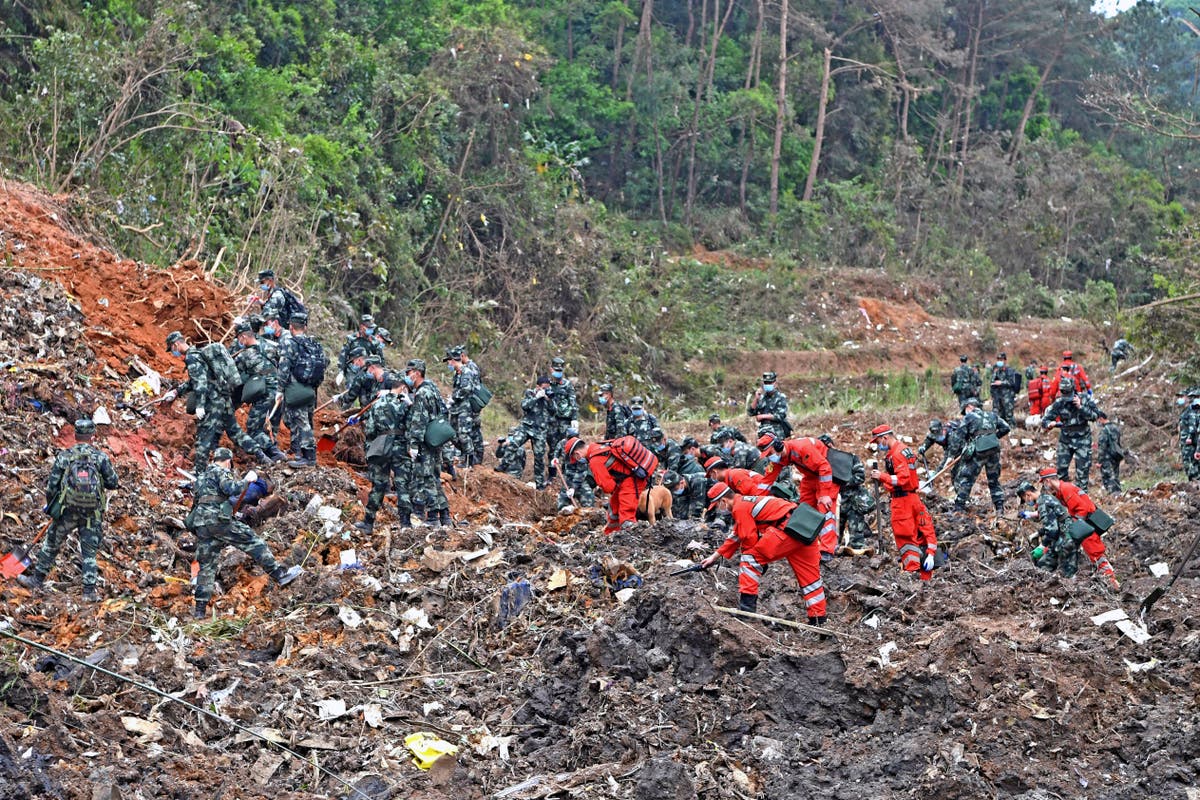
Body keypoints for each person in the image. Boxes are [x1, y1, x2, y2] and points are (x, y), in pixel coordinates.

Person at [187, 448, 303, 618]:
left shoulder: (202, 478)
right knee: (253, 541)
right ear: (227, 461)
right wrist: (247, 480)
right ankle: (279, 574)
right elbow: (231, 488)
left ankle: (199, 610)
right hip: (219, 522)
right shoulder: (221, 471)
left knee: (207, 567)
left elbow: (196, 503)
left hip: (202, 525)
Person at [17, 419, 120, 601]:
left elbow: (52, 486)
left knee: (52, 544)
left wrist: (53, 507)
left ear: (75, 435)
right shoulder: (100, 457)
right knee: (89, 552)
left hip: (67, 511)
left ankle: (37, 580)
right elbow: (113, 483)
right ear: (92, 437)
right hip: (91, 514)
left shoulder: (65, 456)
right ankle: (89, 592)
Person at [698, 484, 827, 627]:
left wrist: (759, 561)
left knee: (749, 561)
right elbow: (736, 535)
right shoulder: (747, 502)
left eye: (717, 505)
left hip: (786, 529)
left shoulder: (739, 508)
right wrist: (714, 557)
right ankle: (818, 619)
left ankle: (747, 611)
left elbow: (748, 537)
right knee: (811, 579)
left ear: (723, 501)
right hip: (804, 529)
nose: (719, 509)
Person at [164, 331, 271, 472]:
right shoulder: (198, 353)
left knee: (203, 437)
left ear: (176, 345)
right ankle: (262, 457)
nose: (173, 352)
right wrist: (177, 391)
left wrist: (200, 406)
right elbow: (194, 381)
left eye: (172, 349)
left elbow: (200, 383)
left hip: (212, 402)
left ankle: (199, 473)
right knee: (235, 432)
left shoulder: (192, 358)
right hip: (224, 399)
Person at [869, 425, 938, 580]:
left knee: (905, 536)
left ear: (885, 438)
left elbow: (902, 479)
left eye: (878, 441)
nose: (878, 445)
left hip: (903, 502)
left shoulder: (897, 454)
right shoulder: (903, 451)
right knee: (920, 531)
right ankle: (922, 574)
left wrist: (882, 477)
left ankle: (911, 572)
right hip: (911, 498)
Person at [355, 358, 414, 532]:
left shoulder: (378, 403)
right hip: (400, 447)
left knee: (378, 485)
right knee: (403, 485)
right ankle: (405, 524)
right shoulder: (406, 404)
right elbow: (412, 426)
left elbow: (370, 428)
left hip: (381, 446)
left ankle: (368, 522)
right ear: (402, 387)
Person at [757, 434, 839, 557]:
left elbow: (824, 467)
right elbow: (766, 482)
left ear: (778, 446)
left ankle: (827, 550)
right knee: (804, 510)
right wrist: (755, 500)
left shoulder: (801, 448)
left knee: (824, 508)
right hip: (810, 477)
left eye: (770, 453)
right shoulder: (779, 458)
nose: (770, 457)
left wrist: (825, 494)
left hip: (826, 475)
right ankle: (807, 544)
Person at [1037, 468, 1119, 590]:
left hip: (1086, 525)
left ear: (1048, 481)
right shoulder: (1061, 491)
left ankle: (1112, 582)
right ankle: (1107, 577)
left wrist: (1075, 526)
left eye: (1044, 483)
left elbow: (1082, 509)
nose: (1045, 486)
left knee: (1095, 553)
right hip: (1085, 524)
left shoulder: (1066, 489)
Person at [563, 434, 658, 534]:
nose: (577, 459)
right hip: (629, 477)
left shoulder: (595, 461)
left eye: (575, 457)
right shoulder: (598, 446)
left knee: (626, 514)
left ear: (577, 454)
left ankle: (632, 540)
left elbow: (608, 487)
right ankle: (611, 534)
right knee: (614, 508)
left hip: (632, 480)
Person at [403, 358, 452, 527]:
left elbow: (419, 421)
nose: (407, 376)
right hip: (434, 441)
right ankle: (445, 515)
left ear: (417, 373)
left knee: (426, 479)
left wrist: (414, 444)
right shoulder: (432, 389)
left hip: (425, 443)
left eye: (408, 373)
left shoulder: (422, 393)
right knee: (434, 478)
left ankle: (432, 517)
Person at [275, 312, 328, 467]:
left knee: (300, 421)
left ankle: (309, 457)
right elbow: (324, 363)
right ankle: (300, 453)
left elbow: (284, 367)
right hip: (311, 389)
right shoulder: (314, 344)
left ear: (291, 327)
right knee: (307, 420)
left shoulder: (290, 343)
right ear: (305, 327)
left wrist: (280, 389)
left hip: (295, 389)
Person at [231, 322, 287, 463]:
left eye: (239, 338)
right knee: (272, 426)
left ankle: (275, 452)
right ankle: (274, 457)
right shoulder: (271, 346)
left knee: (253, 429)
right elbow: (285, 363)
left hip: (265, 395)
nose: (239, 342)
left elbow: (233, 376)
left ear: (243, 337)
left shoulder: (243, 356)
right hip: (280, 393)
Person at [950, 397, 1011, 517]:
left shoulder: (969, 417)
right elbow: (1006, 427)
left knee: (966, 479)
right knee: (994, 480)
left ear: (969, 407)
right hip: (994, 451)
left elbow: (958, 437)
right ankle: (999, 508)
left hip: (978, 452)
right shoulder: (992, 415)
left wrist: (953, 454)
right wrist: (992, 437)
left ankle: (959, 507)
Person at [1041, 378, 1100, 491]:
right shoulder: (1059, 403)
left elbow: (1095, 416)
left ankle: (1082, 500)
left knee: (1082, 473)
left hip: (1083, 439)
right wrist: (1050, 424)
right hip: (1066, 439)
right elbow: (1045, 420)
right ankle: (1065, 496)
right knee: (1061, 471)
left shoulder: (1084, 398)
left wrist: (1081, 407)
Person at [1015, 481, 1075, 576]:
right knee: (1048, 564)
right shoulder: (1046, 498)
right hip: (1066, 534)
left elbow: (1052, 530)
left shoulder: (1043, 503)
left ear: (1028, 495)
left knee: (1057, 568)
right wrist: (1039, 533)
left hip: (1065, 538)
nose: (1027, 502)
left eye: (1025, 499)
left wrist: (1042, 545)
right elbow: (1054, 522)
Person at [444, 345, 483, 467]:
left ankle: (469, 460)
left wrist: (454, 398)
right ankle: (465, 454)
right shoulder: (457, 373)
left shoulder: (467, 372)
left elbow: (466, 389)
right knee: (452, 434)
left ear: (454, 360)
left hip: (465, 409)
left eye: (449, 361)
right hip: (456, 408)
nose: (448, 364)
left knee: (463, 434)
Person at [512, 376, 552, 490]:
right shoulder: (530, 394)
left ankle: (540, 485)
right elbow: (525, 406)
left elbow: (554, 411)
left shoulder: (548, 397)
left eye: (547, 388)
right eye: (544, 388)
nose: (545, 390)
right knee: (513, 445)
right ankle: (504, 468)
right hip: (528, 427)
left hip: (540, 431)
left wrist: (549, 400)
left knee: (539, 458)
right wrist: (536, 397)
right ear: (538, 386)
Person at [337, 314, 384, 382]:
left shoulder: (374, 342)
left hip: (367, 372)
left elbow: (380, 359)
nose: (371, 330)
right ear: (362, 327)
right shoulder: (351, 339)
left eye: (372, 328)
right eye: (369, 328)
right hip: (352, 370)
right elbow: (343, 355)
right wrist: (341, 371)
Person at [746, 372, 790, 439]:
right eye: (766, 383)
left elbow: (780, 416)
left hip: (777, 434)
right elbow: (750, 412)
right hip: (763, 433)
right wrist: (756, 398)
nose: (767, 385)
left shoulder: (781, 397)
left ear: (775, 384)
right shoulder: (762, 398)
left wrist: (763, 416)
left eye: (770, 383)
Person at [704, 456, 771, 497]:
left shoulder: (735, 474)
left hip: (769, 498)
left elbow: (754, 496)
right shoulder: (729, 479)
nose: (712, 478)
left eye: (711, 475)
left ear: (714, 472)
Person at [987, 352, 1022, 427]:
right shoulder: (997, 371)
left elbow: (1012, 382)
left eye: (1001, 359)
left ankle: (1013, 431)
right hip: (998, 397)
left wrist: (1002, 383)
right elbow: (992, 382)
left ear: (1005, 360)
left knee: (1009, 416)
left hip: (1007, 397)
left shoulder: (1010, 371)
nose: (1000, 361)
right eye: (998, 359)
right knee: (998, 415)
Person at [1095, 412, 1126, 494]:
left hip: (1107, 458)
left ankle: (1114, 495)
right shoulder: (1116, 428)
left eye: (1098, 420)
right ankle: (1118, 494)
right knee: (1115, 476)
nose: (1098, 422)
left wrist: (1099, 461)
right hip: (1116, 456)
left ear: (1101, 419)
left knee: (1108, 478)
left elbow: (1102, 447)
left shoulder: (1104, 430)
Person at [1180, 389, 1200, 481]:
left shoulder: (1194, 412)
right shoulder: (1189, 411)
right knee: (1189, 465)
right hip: (1189, 443)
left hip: (1194, 444)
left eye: (1197, 397)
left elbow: (1194, 429)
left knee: (1194, 468)